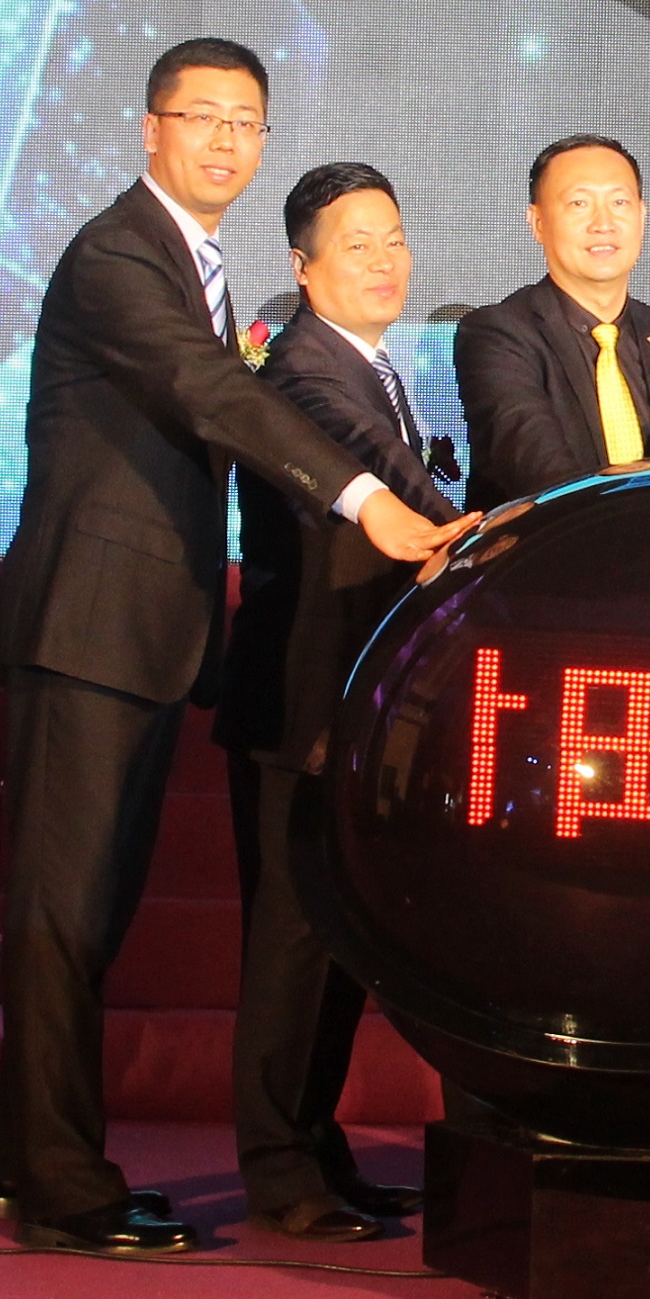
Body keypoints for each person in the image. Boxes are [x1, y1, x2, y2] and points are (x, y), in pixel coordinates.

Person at [0, 39, 467, 1256]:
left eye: (245, 121)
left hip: (146, 631)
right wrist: (364, 497)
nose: (223, 140)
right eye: (200, 115)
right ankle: (59, 1185)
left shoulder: (191, 262)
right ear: (151, 128)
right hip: (91, 625)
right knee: (64, 912)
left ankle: (26, 1164)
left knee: (85, 915)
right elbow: (208, 389)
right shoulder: (118, 254)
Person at [214, 162, 462, 1241]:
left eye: (394, 239)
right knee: (290, 946)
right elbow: (367, 469)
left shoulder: (373, 364)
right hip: (301, 700)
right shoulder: (301, 370)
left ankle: (318, 1150)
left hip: (357, 703)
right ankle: (279, 1169)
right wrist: (461, 524)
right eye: (357, 244)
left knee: (339, 942)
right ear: (303, 266)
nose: (384, 261)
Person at [450, 133, 650, 509]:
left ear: (642, 216)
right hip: (556, 539)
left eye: (619, 202)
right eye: (579, 203)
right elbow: (536, 465)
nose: (603, 223)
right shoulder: (497, 335)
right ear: (538, 222)